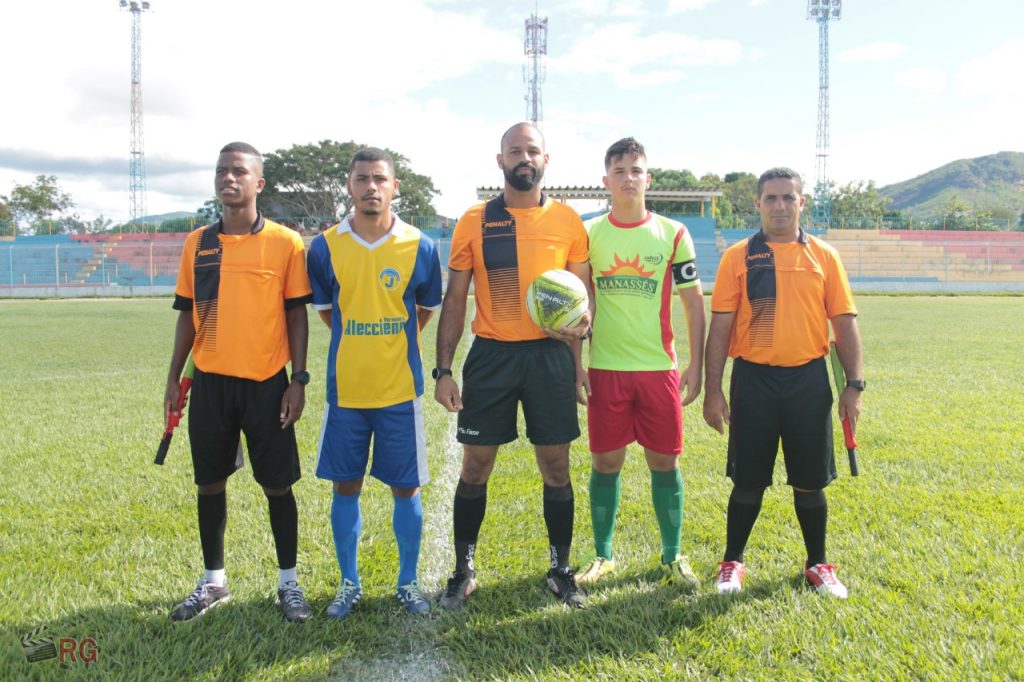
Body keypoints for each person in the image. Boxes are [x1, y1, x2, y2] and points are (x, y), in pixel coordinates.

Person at [434, 122, 592, 610]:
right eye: (515, 151)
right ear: (500, 160)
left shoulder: (568, 221)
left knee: (556, 465)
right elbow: (455, 299)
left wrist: (578, 362)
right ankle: (463, 570)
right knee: (476, 465)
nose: (524, 158)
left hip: (550, 359)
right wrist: (443, 370)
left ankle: (560, 569)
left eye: (532, 150)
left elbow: (582, 304)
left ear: (546, 160)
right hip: (492, 356)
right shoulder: (474, 220)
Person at [164, 141, 313, 622]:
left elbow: (296, 315)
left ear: (258, 183)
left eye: (239, 171)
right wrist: (174, 378)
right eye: (221, 171)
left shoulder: (286, 242)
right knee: (209, 483)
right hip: (210, 384)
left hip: (267, 385)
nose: (228, 178)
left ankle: (289, 584)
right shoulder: (198, 243)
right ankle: (214, 581)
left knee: (278, 486)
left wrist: (298, 379)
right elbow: (187, 315)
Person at [703, 167, 864, 598]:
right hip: (753, 379)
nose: (780, 206)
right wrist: (714, 390)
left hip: (808, 381)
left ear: (801, 203)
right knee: (748, 480)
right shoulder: (737, 257)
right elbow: (720, 328)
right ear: (757, 204)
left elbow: (844, 323)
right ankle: (732, 562)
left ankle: (818, 564)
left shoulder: (824, 256)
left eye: (788, 197)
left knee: (810, 480)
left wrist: (855, 385)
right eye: (771, 198)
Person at [306, 147, 443, 619]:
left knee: (407, 488)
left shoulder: (420, 246)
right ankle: (349, 582)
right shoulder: (324, 246)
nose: (371, 187)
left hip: (399, 391)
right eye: (362, 178)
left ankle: (408, 581)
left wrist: (391, 343)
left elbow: (424, 310)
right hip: (346, 393)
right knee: (345, 486)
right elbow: (328, 312)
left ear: (394, 186)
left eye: (380, 179)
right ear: (350, 185)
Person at [574, 138, 706, 591]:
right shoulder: (589, 234)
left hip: (658, 368)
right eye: (619, 171)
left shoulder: (673, 233)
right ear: (605, 180)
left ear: (648, 179)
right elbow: (578, 307)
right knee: (605, 462)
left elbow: (693, 302)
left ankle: (672, 555)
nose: (628, 178)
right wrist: (577, 364)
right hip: (606, 368)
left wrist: (696, 364)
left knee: (664, 462)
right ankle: (602, 554)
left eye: (636, 170)